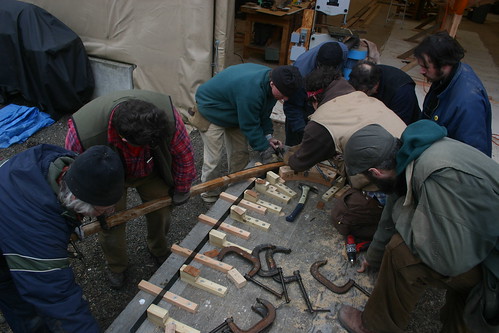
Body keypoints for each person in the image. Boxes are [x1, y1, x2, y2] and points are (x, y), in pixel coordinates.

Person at [337, 121, 499, 333]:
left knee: (401, 252)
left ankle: (374, 327)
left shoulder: (436, 175)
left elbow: (449, 260)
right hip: (483, 240)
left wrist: (406, 219)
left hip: (492, 265)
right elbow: (393, 204)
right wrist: (374, 257)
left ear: (375, 172)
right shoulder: (410, 155)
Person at [65, 89, 196, 289]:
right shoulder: (83, 132)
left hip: (149, 169)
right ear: (123, 138)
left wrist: (182, 186)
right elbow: (75, 175)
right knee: (110, 223)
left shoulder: (165, 116)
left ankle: (158, 248)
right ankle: (117, 265)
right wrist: (80, 211)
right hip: (107, 177)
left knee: (162, 210)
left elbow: (183, 153)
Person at [0, 144, 125, 332]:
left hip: (11, 211)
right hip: (12, 230)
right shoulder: (37, 232)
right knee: (27, 309)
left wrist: (72, 220)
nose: (111, 212)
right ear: (77, 202)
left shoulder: (64, 162)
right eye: (104, 209)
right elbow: (58, 300)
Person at [193, 63, 302, 203]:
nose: (285, 99)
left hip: (235, 108)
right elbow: (249, 125)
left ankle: (235, 190)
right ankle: (209, 196)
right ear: (272, 83)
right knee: (214, 159)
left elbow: (263, 113)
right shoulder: (251, 91)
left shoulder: (274, 83)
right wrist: (265, 149)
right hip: (211, 108)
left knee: (240, 155)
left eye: (288, 96)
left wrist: (268, 137)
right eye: (283, 95)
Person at [286, 66, 406, 191]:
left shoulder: (322, 120)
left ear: (315, 99)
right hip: (411, 151)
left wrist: (288, 157)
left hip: (389, 175)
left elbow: (299, 163)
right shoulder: (358, 95)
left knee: (348, 204)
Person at [414, 30, 492, 156]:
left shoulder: (468, 102)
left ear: (445, 64)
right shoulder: (444, 77)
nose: (421, 71)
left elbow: (473, 155)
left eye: (426, 67)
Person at [284, 41, 349, 145]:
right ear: (318, 63)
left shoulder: (343, 52)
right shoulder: (301, 72)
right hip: (301, 105)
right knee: (295, 143)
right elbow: (292, 106)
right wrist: (302, 131)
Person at [348, 60, 421, 125]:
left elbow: (398, 126)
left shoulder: (403, 92)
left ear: (375, 85)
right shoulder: (366, 74)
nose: (362, 95)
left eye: (364, 92)